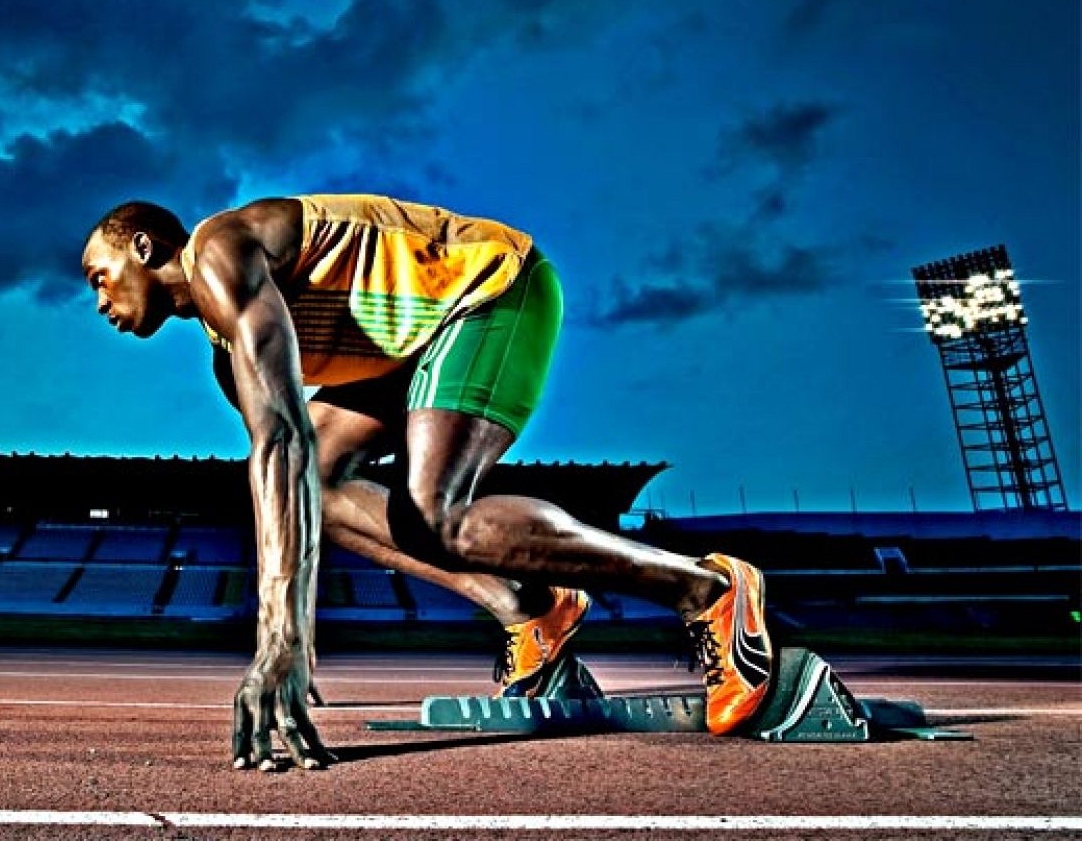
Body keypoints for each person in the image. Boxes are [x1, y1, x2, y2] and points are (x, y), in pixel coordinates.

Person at [80, 194, 772, 772]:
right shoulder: (225, 357)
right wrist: (282, 630)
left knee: (434, 513)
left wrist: (279, 638)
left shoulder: (221, 251)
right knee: (318, 479)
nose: (98, 301)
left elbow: (280, 438)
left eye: (97, 275)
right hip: (412, 347)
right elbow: (289, 469)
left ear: (141, 246)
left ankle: (706, 587)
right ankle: (535, 608)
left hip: (492, 293)